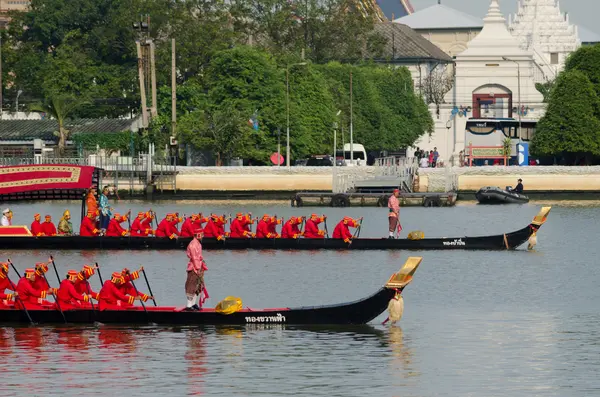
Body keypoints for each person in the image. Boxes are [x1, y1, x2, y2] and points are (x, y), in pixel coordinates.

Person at [185, 231, 209, 311]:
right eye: (201, 235)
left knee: (198, 287)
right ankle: (189, 305)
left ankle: (193, 304)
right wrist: (198, 268)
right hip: (194, 268)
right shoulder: (193, 244)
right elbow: (194, 257)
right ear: (197, 235)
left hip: (199, 266)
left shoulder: (198, 243)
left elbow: (199, 256)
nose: (202, 236)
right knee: (191, 286)